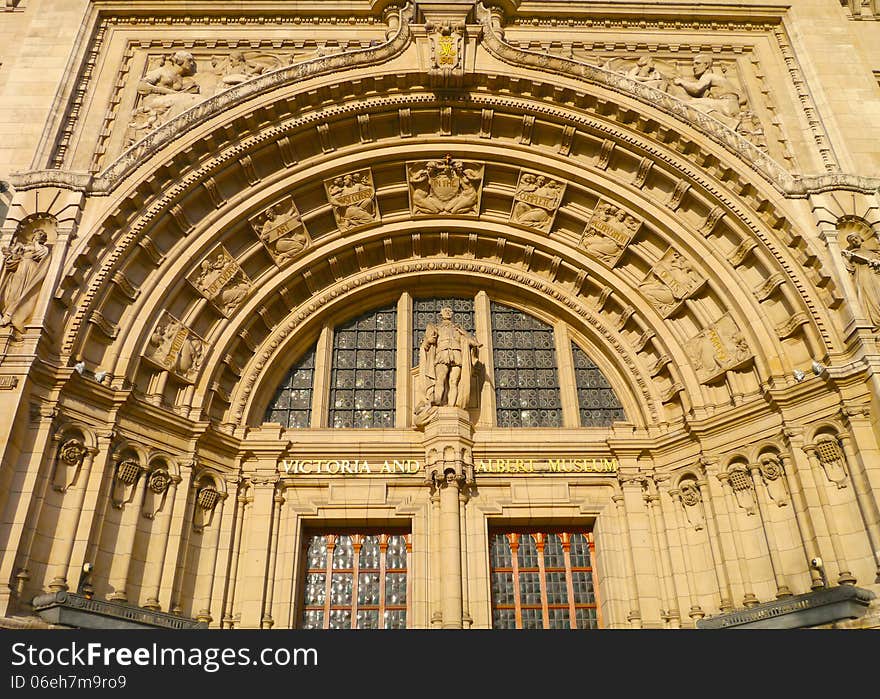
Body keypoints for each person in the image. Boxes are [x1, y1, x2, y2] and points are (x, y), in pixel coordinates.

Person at [418, 307, 481, 410]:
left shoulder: (458, 328)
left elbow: (469, 339)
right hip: (442, 354)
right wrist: (427, 341)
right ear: (441, 314)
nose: (447, 312)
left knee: (453, 381)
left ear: (452, 314)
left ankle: (452, 406)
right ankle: (438, 400)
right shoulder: (437, 328)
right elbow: (427, 341)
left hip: (456, 353)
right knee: (440, 379)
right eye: (445, 311)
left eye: (449, 311)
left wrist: (468, 338)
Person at [0, 229, 51, 332]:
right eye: (39, 234)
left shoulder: (42, 247)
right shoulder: (23, 246)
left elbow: (42, 254)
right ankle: (6, 312)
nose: (40, 236)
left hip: (31, 269)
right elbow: (12, 259)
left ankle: (10, 314)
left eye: (42, 235)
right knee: (12, 292)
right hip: (20, 268)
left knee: (22, 293)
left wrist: (36, 243)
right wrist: (15, 251)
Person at [673, 54, 746, 120]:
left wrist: (681, 81)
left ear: (706, 65)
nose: (694, 67)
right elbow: (743, 98)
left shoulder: (708, 76)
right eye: (693, 64)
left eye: (697, 63)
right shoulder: (718, 78)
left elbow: (697, 88)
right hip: (732, 106)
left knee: (688, 103)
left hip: (726, 105)